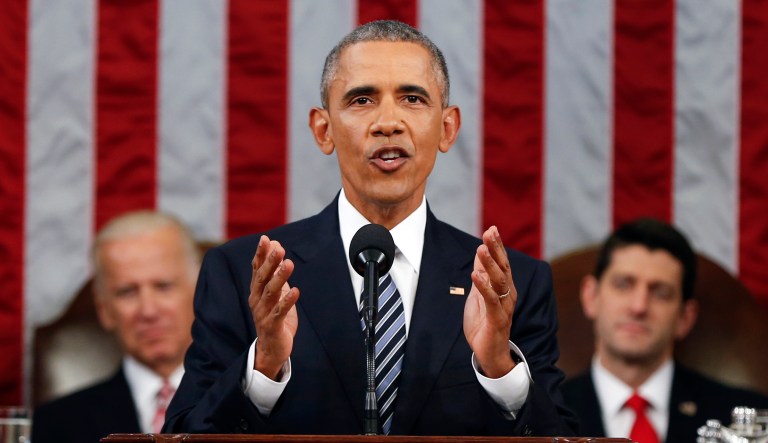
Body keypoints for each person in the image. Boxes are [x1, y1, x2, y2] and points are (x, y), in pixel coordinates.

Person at [164, 20, 576, 436]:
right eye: (362, 99)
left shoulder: (512, 283)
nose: (388, 123)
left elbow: (562, 434)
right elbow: (185, 432)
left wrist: (499, 369)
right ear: (323, 130)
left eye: (412, 98)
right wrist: (264, 365)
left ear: (447, 128)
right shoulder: (243, 273)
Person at [561, 217, 768, 442]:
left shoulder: (745, 421)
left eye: (660, 293)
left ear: (684, 317)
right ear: (591, 296)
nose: (639, 306)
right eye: (623, 285)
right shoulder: (538, 417)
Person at [32, 210, 200, 443]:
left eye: (163, 286)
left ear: (199, 295)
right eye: (127, 292)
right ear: (105, 310)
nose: (148, 311)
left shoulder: (249, 405)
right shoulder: (52, 425)